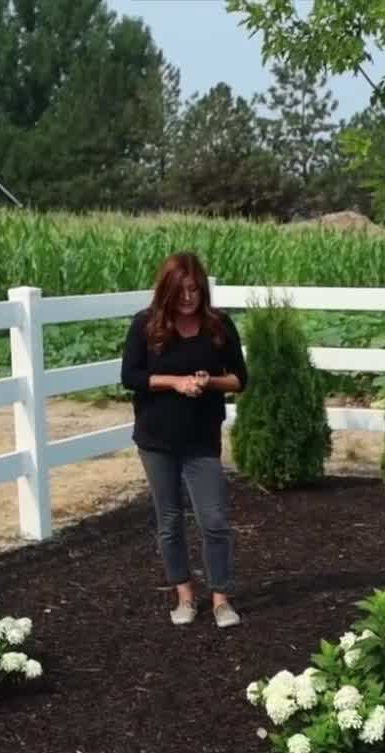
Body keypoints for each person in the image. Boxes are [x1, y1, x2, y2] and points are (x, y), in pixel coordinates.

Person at [120, 251, 247, 627]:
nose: (188, 297)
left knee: (214, 519)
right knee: (170, 520)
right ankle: (185, 596)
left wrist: (209, 383)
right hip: (156, 438)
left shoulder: (219, 326)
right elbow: (131, 376)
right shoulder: (146, 325)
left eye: (194, 289)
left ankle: (221, 599)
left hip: (201, 438)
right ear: (167, 290)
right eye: (181, 290)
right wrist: (175, 382)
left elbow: (240, 378)